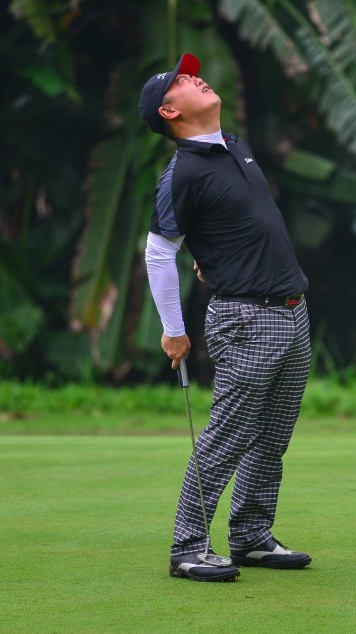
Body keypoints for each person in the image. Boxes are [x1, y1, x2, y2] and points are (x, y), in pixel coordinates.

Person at [139, 53, 313, 582]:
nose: (195, 77)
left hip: (293, 312)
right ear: (169, 112)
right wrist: (174, 330)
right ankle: (188, 546)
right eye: (182, 81)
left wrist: (212, 254)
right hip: (245, 318)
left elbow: (234, 225)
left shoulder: (235, 146)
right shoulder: (182, 172)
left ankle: (251, 536)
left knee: (272, 435)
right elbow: (157, 251)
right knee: (228, 434)